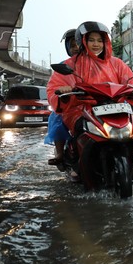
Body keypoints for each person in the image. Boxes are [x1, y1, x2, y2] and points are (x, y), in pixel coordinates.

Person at [48, 21, 133, 138]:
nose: (96, 44)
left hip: (115, 110)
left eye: (100, 40)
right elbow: (55, 87)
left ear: (105, 42)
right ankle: (64, 154)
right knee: (68, 125)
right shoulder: (71, 65)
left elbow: (131, 81)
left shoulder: (117, 63)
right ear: (83, 41)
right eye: (91, 40)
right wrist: (63, 91)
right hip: (82, 111)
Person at [44, 29, 78, 165]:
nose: (76, 48)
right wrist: (62, 91)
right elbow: (53, 88)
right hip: (72, 105)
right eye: (72, 45)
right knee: (57, 116)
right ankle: (60, 153)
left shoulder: (101, 64)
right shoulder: (64, 67)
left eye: (79, 44)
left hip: (97, 104)